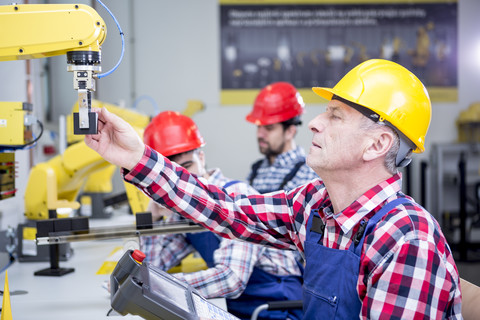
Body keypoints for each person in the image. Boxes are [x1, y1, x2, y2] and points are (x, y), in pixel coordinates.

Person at [86, 59, 462, 319]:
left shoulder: (406, 239)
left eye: (334, 115)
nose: (314, 123)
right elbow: (228, 208)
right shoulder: (316, 205)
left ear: (377, 145)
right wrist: (137, 159)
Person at [139, 111, 304, 320]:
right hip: (241, 308)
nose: (179, 182)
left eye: (186, 167)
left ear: (201, 157)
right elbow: (156, 267)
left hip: (277, 306)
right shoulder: (183, 213)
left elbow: (231, 279)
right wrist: (152, 218)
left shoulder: (236, 196)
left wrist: (164, 286)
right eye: (170, 175)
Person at [246, 82, 318, 193]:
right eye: (259, 127)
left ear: (290, 131)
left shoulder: (309, 172)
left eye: (269, 128)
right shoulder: (257, 170)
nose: (260, 134)